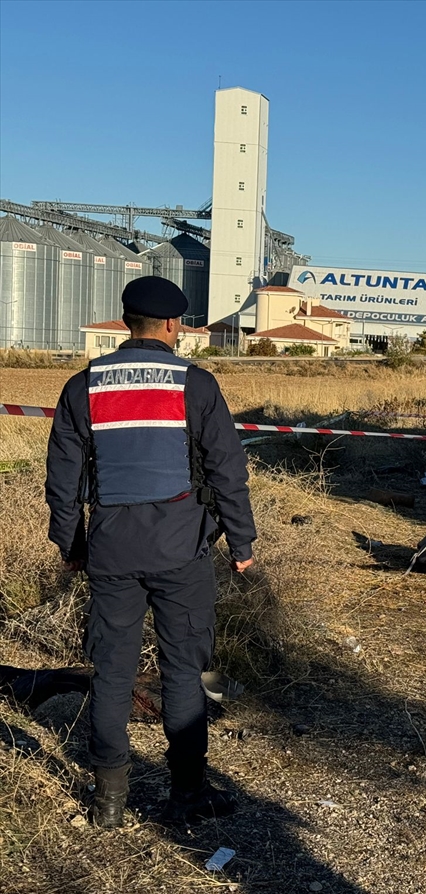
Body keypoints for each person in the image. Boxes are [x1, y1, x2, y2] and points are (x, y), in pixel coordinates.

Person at [45, 276, 256, 829]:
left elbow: (63, 480)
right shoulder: (196, 384)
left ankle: (109, 800)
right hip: (181, 551)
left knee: (112, 673)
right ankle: (187, 794)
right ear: (171, 325)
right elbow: (226, 471)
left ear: (124, 321)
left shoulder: (82, 386)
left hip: (111, 552)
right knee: (182, 673)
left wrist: (71, 544)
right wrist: (242, 542)